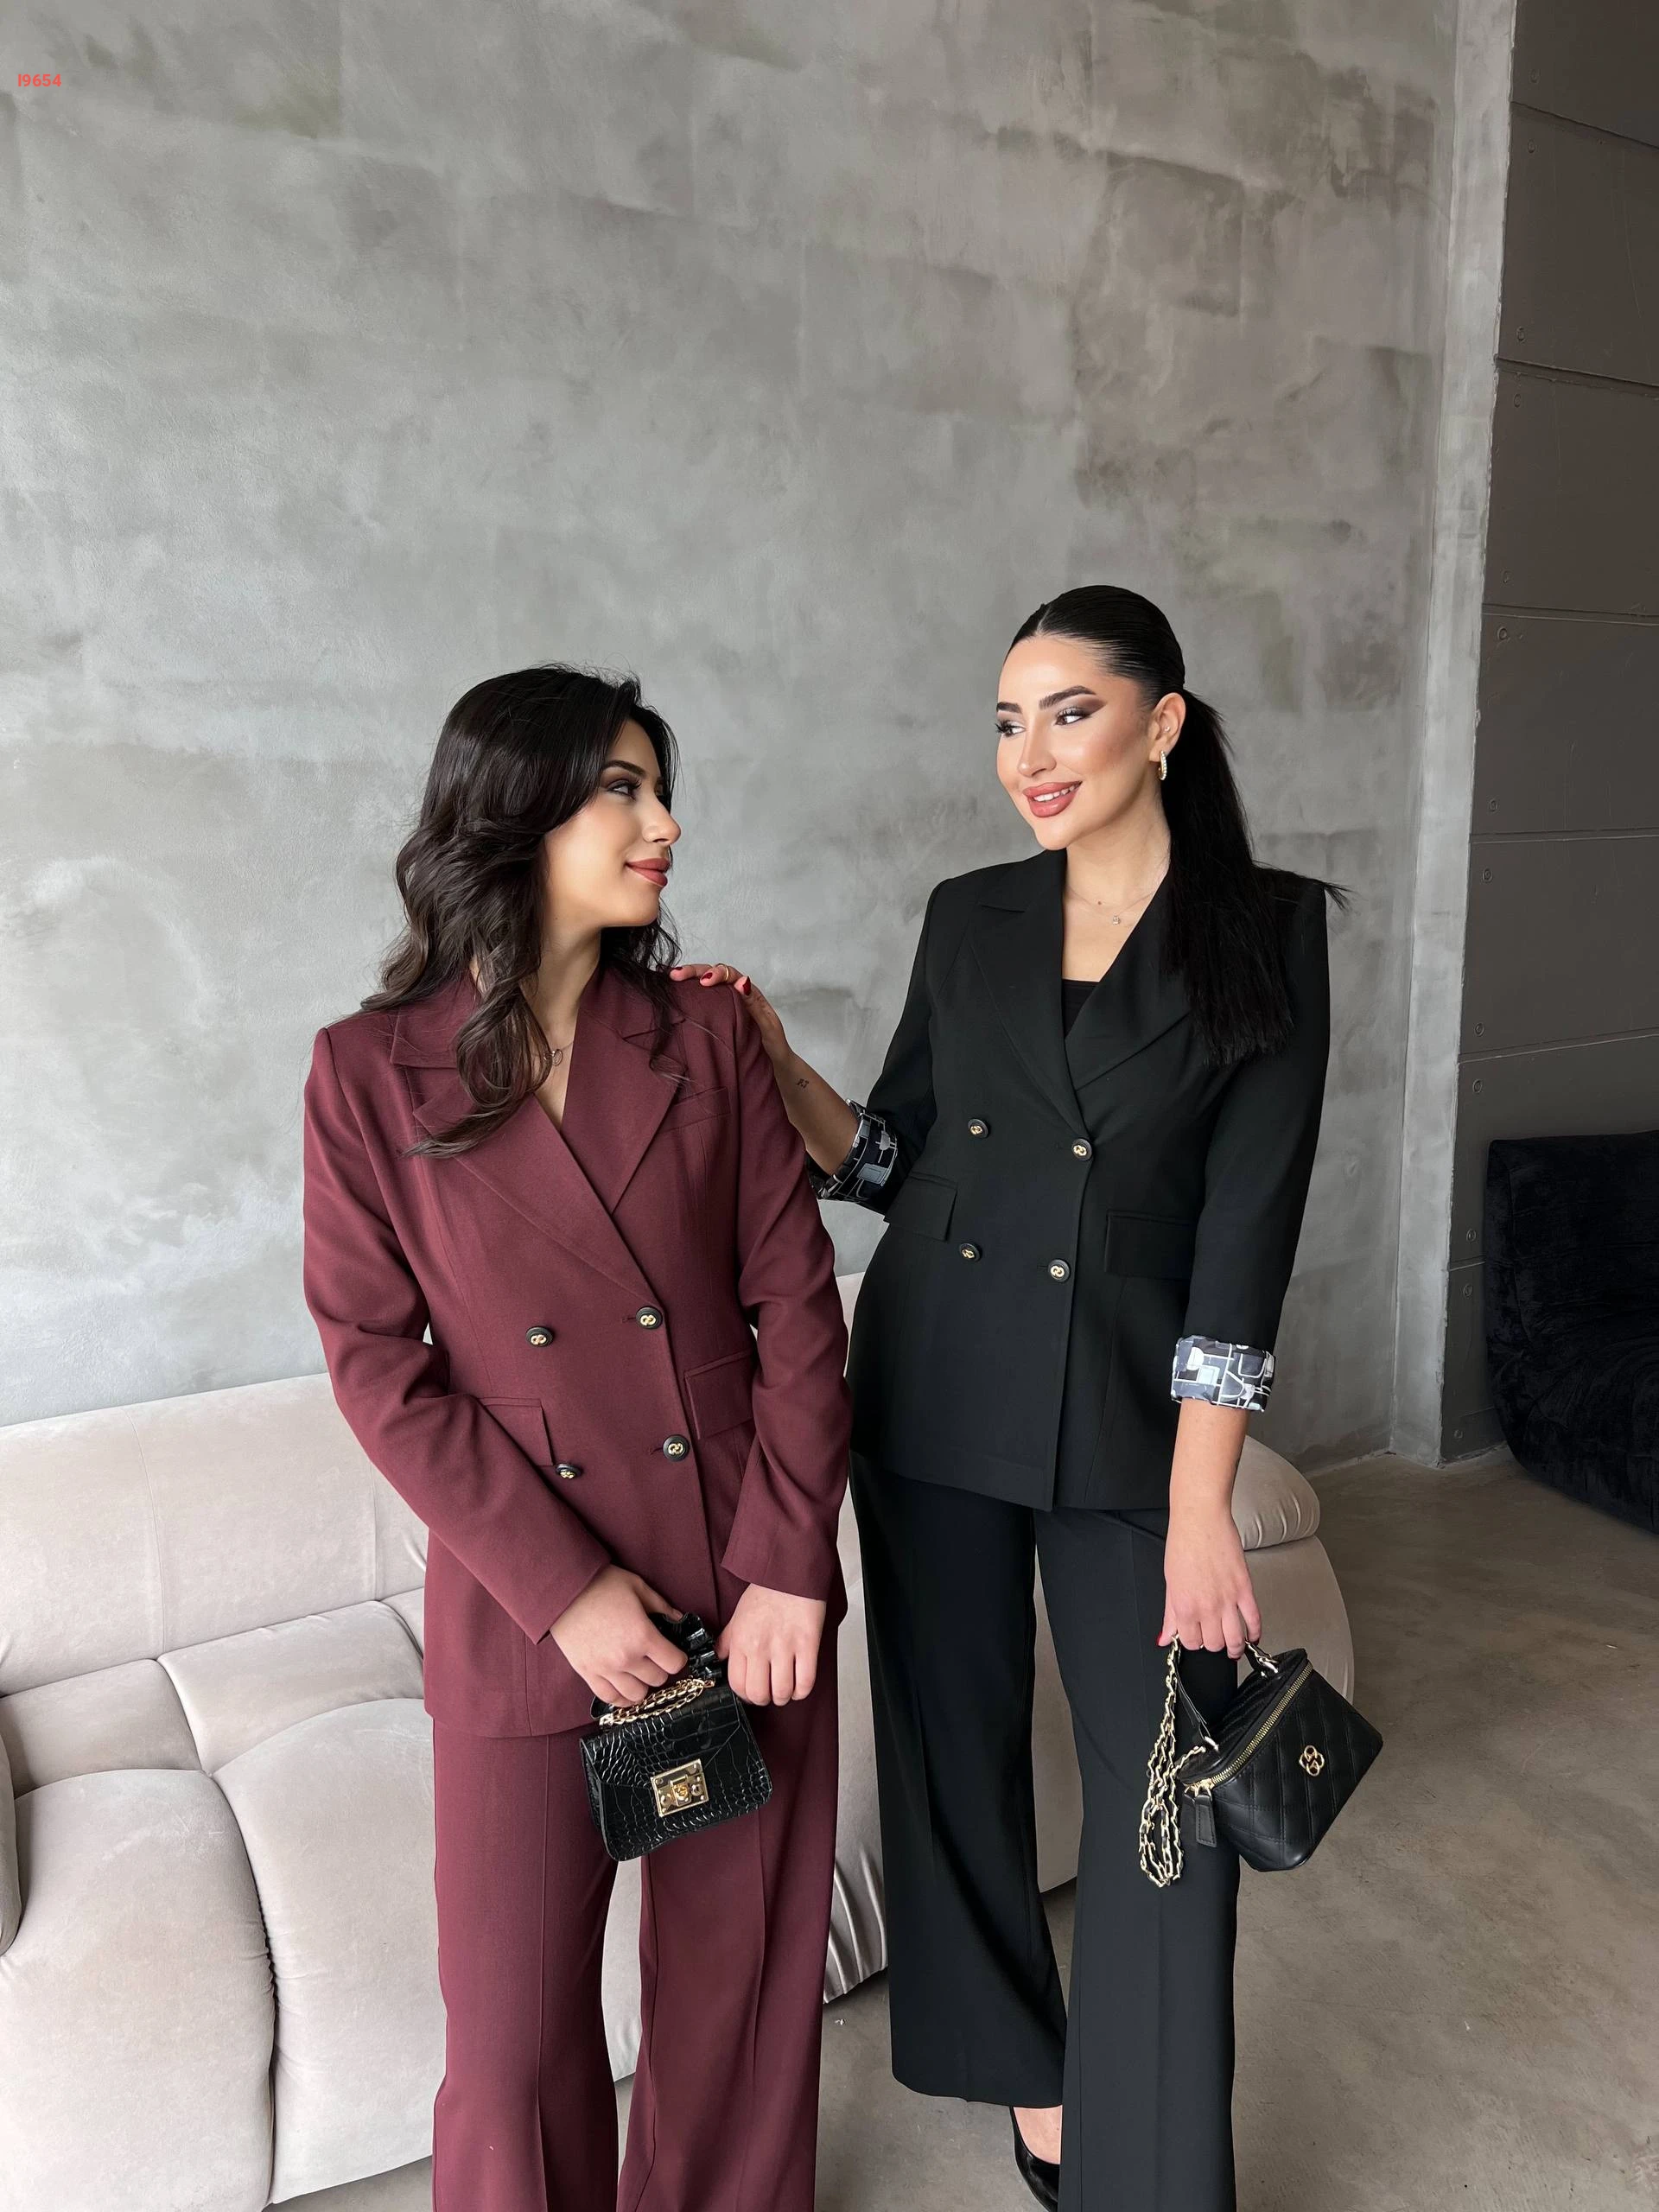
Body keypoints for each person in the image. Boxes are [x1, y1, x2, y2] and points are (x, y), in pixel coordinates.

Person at [673, 585, 1336, 2212]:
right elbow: (897, 1159)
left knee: (1166, 1797)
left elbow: (1245, 1244)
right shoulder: (969, 915)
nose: (1028, 755)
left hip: (1129, 1426)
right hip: (936, 1392)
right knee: (950, 1753)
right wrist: (783, 1069)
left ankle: (1152, 2177)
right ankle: (1030, 2082)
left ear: (1162, 725)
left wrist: (1202, 1505)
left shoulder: (1267, 931)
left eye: (1068, 713)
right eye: (1006, 723)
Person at [300, 664, 852, 2212]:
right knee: (513, 2033)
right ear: (513, 810)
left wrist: (792, 1565)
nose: (664, 823)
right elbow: (377, 1368)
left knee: (739, 2003)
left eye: (661, 788)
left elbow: (797, 1311)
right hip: (526, 1598)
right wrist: (566, 1591)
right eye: (622, 788)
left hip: (747, 1577)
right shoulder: (366, 1072)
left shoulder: (705, 1034)